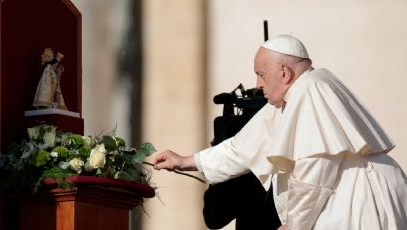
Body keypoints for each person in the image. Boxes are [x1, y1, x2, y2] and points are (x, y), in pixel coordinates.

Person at [154, 34, 407, 230]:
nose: (258, 84)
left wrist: (295, 225)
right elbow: (241, 148)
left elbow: (315, 169)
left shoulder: (311, 91)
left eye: (261, 74)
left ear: (284, 73)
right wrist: (187, 161)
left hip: (360, 196)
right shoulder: (292, 98)